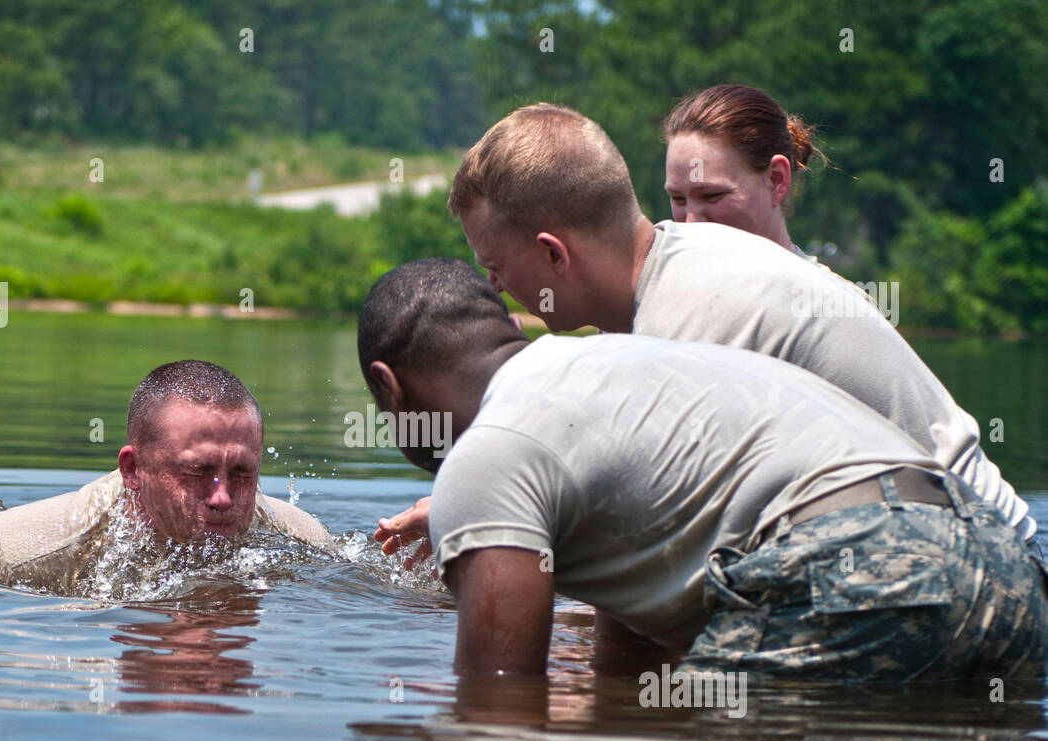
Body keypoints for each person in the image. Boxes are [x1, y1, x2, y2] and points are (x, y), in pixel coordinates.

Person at [375, 102, 1035, 562]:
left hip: (970, 560)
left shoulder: (688, 322)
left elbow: (649, 564)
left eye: (495, 267)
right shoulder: (682, 281)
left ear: (555, 255)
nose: (494, 289)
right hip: (954, 550)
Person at [359, 258, 1048, 679]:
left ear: (392, 390)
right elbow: (629, 667)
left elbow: (498, 708)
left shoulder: (486, 456)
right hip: (1004, 566)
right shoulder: (627, 362)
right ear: (508, 322)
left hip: (862, 566)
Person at [0, 360, 334, 593]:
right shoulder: (6, 554)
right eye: (198, 472)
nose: (223, 498)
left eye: (243, 473)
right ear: (132, 470)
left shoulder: (307, 542)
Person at [661, 83, 822, 259]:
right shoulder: (660, 285)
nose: (690, 223)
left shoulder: (820, 287)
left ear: (776, 179)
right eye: (678, 199)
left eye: (712, 196)